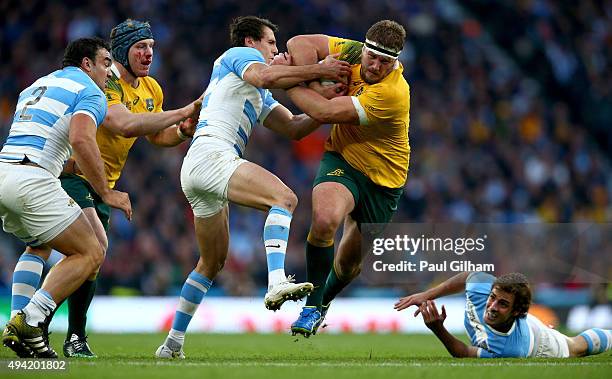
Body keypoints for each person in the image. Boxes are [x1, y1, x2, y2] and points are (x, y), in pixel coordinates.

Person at [155, 15, 351, 359]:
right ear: (250, 42)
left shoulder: (257, 92)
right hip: (212, 154)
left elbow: (294, 127)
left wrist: (330, 105)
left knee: (211, 262)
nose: (277, 49)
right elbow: (265, 75)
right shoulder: (238, 57)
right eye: (271, 43)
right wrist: (319, 70)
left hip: (200, 167)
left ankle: (171, 344)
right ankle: (276, 281)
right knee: (284, 198)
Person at [8, 19, 202, 358]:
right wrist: (182, 110)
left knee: (50, 249)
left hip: (61, 175)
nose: (148, 54)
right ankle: (40, 326)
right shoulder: (103, 86)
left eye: (152, 47)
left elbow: (155, 135)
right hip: (72, 174)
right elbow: (122, 125)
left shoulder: (151, 89)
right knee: (92, 248)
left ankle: (36, 327)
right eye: (140, 47)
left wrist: (182, 130)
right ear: (119, 53)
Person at [0, 37, 132, 358]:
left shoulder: (34, 87)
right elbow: (82, 139)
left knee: (39, 244)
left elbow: (51, 145)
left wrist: (77, 167)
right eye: (105, 63)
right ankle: (29, 321)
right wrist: (106, 192)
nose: (110, 72)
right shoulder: (90, 92)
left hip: (5, 173)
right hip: (34, 179)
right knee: (91, 252)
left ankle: (20, 334)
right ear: (86, 64)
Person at [282, 20, 410, 337]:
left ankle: (323, 301)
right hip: (343, 159)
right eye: (372, 57)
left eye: (386, 61)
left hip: (384, 182)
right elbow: (299, 41)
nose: (376, 66)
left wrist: (287, 81)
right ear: (364, 48)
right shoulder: (352, 51)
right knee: (325, 220)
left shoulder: (392, 93)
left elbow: (324, 113)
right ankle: (312, 306)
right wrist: (314, 78)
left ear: (395, 62)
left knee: (349, 265)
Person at [395, 271, 612, 358]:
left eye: (502, 304)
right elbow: (468, 277)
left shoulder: (510, 349)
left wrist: (438, 329)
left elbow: (464, 352)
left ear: (516, 311)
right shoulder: (484, 294)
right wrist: (426, 294)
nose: (492, 306)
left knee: (577, 347)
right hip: (526, 325)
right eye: (493, 297)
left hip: (541, 344)